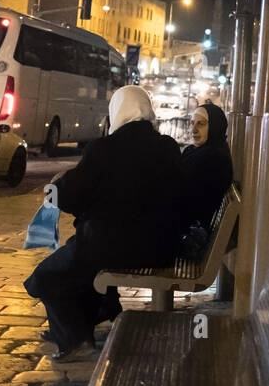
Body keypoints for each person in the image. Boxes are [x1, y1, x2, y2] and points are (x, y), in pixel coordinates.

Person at [23, 85, 184, 359]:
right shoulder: (168, 147)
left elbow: (73, 195)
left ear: (117, 112)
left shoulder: (105, 148)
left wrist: (58, 184)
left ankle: (75, 338)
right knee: (84, 267)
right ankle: (99, 314)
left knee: (44, 278)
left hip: (112, 246)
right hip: (162, 248)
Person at [181, 102, 234, 231]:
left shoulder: (213, 158)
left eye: (201, 124)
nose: (193, 130)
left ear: (215, 127)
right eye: (192, 123)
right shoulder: (201, 151)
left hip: (190, 229)